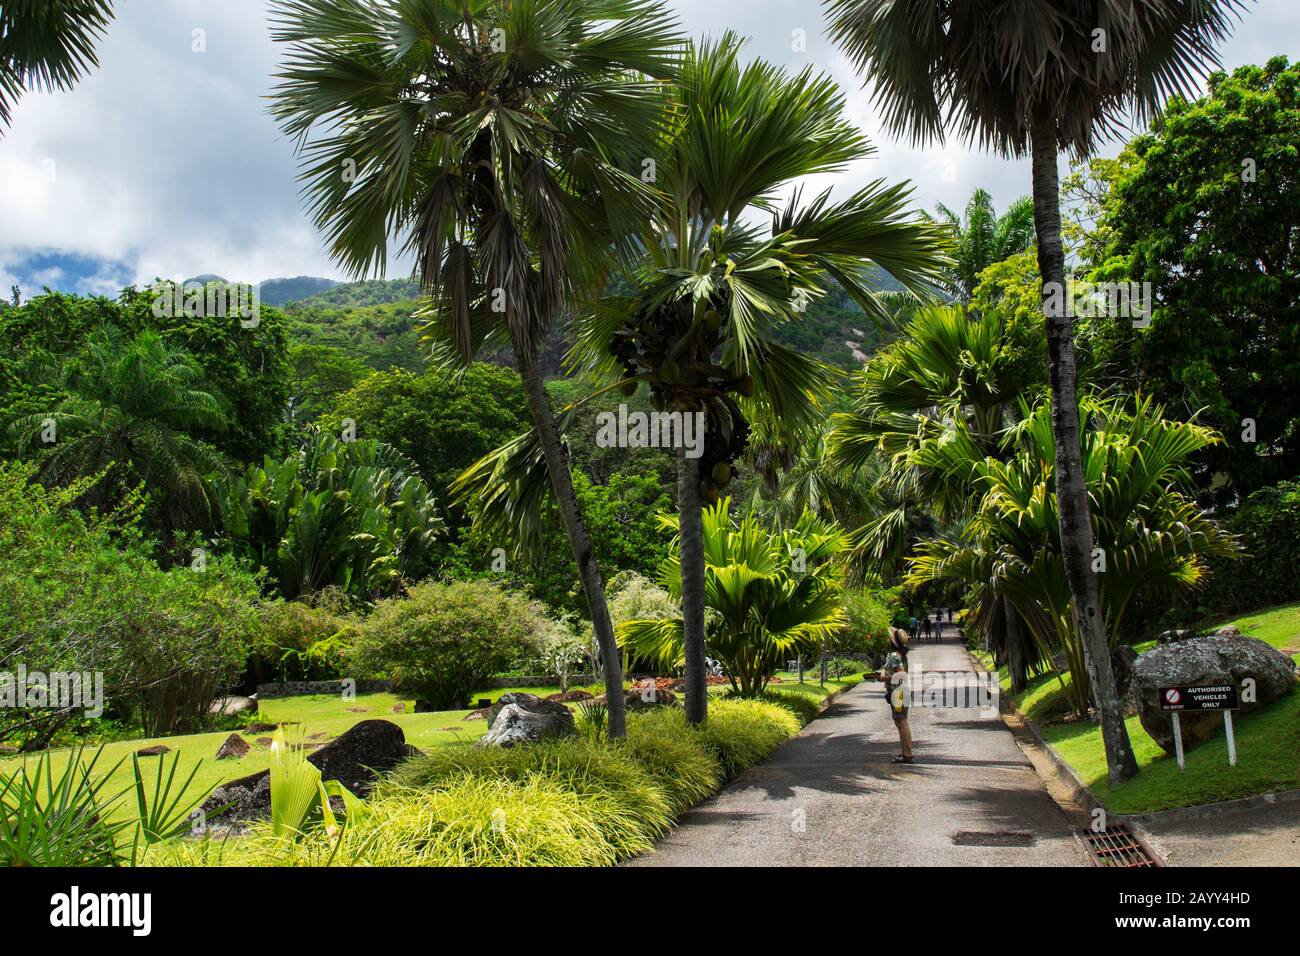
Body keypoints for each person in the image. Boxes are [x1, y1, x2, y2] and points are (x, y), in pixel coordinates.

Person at [879, 627, 913, 763]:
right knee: (900, 722)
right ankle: (905, 753)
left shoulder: (894, 656)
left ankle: (907, 754)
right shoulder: (899, 654)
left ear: (892, 641)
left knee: (901, 722)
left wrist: (885, 678)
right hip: (899, 692)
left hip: (898, 693)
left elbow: (901, 674)